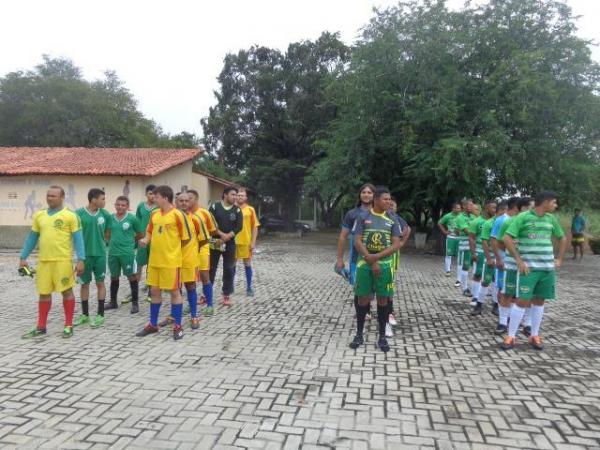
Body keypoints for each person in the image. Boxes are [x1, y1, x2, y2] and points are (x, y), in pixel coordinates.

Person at [501, 191, 567, 350]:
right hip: (528, 269)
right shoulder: (522, 217)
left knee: (540, 301)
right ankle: (511, 336)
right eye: (554, 202)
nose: (555, 206)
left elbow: (563, 238)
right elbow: (507, 238)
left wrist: (559, 259)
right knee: (522, 301)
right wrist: (519, 260)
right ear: (545, 202)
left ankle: (534, 336)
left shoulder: (551, 219)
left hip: (547, 269)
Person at [20, 186, 85, 339]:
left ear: (62, 197)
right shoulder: (39, 215)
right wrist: (23, 257)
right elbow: (32, 238)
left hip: (62, 261)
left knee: (67, 292)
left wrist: (81, 259)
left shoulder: (70, 216)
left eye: (53, 196)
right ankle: (41, 326)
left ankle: (68, 325)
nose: (50, 198)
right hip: (44, 261)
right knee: (43, 293)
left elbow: (78, 239)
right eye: (48, 195)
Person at [349, 186, 402, 353]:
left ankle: (382, 337)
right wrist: (370, 260)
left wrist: (376, 259)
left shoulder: (392, 219)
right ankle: (359, 335)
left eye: (389, 199)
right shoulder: (362, 217)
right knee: (362, 299)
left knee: (383, 300)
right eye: (385, 199)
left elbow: (396, 244)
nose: (389, 202)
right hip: (365, 264)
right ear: (376, 200)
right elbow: (357, 241)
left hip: (385, 266)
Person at [136, 185, 191, 340]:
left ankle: (178, 326)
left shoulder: (178, 215)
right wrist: (145, 240)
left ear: (165, 198)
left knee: (174, 292)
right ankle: (153, 324)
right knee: (154, 291)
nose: (154, 199)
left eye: (157, 197)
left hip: (171, 263)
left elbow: (186, 239)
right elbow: (149, 232)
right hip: (154, 261)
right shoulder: (154, 214)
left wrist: (173, 251)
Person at [335, 184, 375, 319]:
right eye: (364, 192)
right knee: (358, 287)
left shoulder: (380, 213)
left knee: (372, 286)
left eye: (370, 192)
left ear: (374, 195)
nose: (366, 194)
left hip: (376, 255)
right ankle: (362, 313)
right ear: (360, 195)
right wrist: (340, 259)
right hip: (356, 258)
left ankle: (368, 310)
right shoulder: (352, 214)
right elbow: (342, 237)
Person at [74, 189, 112, 328]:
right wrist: (79, 257)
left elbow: (108, 232)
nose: (104, 201)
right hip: (84, 257)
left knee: (100, 283)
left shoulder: (105, 215)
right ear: (93, 199)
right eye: (102, 199)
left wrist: (103, 244)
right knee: (84, 284)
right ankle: (85, 315)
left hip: (100, 255)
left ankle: (100, 315)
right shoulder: (78, 214)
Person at [106, 196, 144, 314]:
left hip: (127, 253)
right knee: (114, 276)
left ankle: (135, 303)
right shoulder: (110, 218)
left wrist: (131, 242)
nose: (120, 207)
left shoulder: (132, 219)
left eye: (123, 205)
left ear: (127, 207)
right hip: (112, 253)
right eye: (118, 205)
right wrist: (110, 242)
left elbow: (140, 234)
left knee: (132, 276)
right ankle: (113, 302)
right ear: (115, 205)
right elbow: (106, 233)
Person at [209, 187, 243, 306]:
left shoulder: (237, 210)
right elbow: (210, 223)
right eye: (233, 194)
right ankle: (206, 295)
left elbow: (239, 227)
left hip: (230, 243)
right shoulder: (214, 207)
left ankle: (226, 295)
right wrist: (221, 236)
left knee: (229, 269)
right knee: (210, 269)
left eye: (236, 195)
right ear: (225, 195)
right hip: (215, 242)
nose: (235, 197)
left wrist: (227, 237)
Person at [187, 189, 219, 315]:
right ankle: (191, 304)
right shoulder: (183, 214)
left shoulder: (204, 213)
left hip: (203, 248)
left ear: (196, 199)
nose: (187, 201)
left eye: (190, 198)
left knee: (205, 276)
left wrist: (203, 238)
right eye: (185, 199)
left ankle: (210, 304)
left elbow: (214, 230)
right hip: (188, 250)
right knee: (190, 278)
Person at [490, 197, 519, 332]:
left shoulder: (520, 220)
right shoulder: (501, 220)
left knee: (514, 292)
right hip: (504, 262)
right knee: (504, 290)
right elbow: (494, 241)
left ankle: (510, 319)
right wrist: (499, 259)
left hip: (515, 263)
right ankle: (502, 321)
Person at [384, 197, 411, 337]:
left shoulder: (396, 218)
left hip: (392, 255)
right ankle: (368, 312)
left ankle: (390, 313)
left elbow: (408, 229)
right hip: (377, 254)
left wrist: (401, 243)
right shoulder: (376, 216)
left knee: (389, 285)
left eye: (393, 204)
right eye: (388, 202)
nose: (390, 205)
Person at [470, 200, 498, 315]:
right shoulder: (477, 222)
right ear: (486, 208)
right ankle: (476, 299)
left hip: (496, 255)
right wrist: (473, 253)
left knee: (496, 280)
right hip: (482, 252)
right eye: (493, 208)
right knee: (479, 276)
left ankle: (496, 304)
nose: (494, 210)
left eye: (496, 208)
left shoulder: (498, 222)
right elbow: (471, 238)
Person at [235, 189, 261, 296]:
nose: (240, 197)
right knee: (231, 265)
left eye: (242, 195)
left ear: (246, 198)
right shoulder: (232, 209)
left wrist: (253, 242)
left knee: (247, 264)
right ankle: (229, 287)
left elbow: (255, 227)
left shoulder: (250, 209)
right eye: (238, 195)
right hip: (233, 242)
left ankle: (249, 287)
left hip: (246, 242)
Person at [134, 185, 157, 296]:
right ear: (146, 194)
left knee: (151, 264)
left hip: (155, 240)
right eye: (150, 193)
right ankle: (134, 287)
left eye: (154, 194)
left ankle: (150, 286)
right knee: (139, 263)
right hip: (142, 239)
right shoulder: (140, 206)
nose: (152, 196)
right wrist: (137, 236)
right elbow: (137, 221)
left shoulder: (158, 207)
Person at [456, 201, 478, 296]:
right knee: (465, 267)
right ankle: (464, 289)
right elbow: (468, 231)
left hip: (476, 245)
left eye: (472, 205)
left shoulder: (474, 217)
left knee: (476, 267)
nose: (472, 206)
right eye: (470, 205)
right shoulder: (460, 217)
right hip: (465, 246)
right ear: (464, 206)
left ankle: (475, 288)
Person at [438, 203, 462, 277]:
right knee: (448, 255)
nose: (459, 210)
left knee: (460, 255)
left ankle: (460, 271)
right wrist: (444, 232)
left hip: (460, 238)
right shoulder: (448, 216)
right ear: (453, 209)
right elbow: (439, 223)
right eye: (457, 208)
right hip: (451, 238)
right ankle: (448, 271)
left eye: (459, 208)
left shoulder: (462, 216)